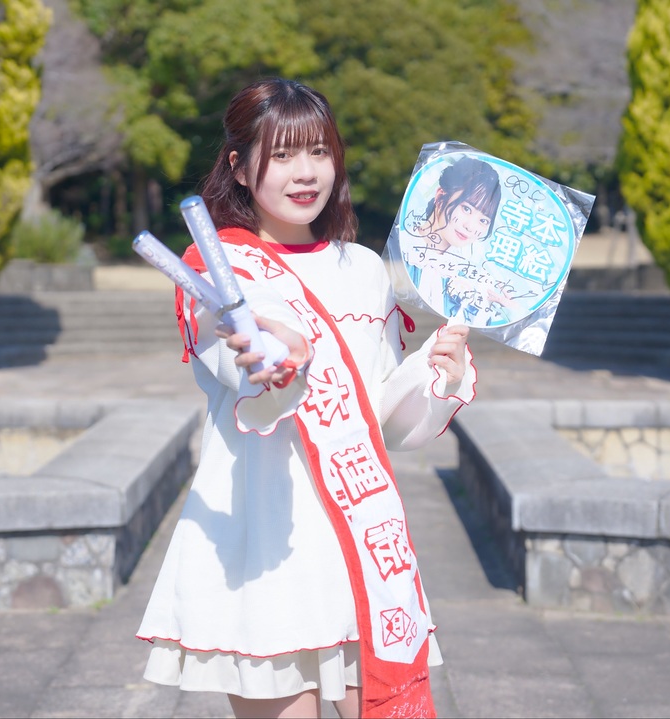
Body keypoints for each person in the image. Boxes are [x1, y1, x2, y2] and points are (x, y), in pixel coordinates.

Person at [135, 78, 477, 719]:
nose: (305, 172)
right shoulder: (217, 269)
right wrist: (272, 356)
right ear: (239, 167)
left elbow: (380, 419)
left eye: (319, 151)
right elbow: (245, 359)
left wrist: (436, 373)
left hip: (361, 550)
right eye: (283, 154)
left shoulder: (364, 269)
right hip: (266, 547)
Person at [402, 157, 506, 324]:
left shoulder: (472, 279)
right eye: (466, 209)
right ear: (440, 196)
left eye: (483, 220)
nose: (470, 227)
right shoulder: (401, 248)